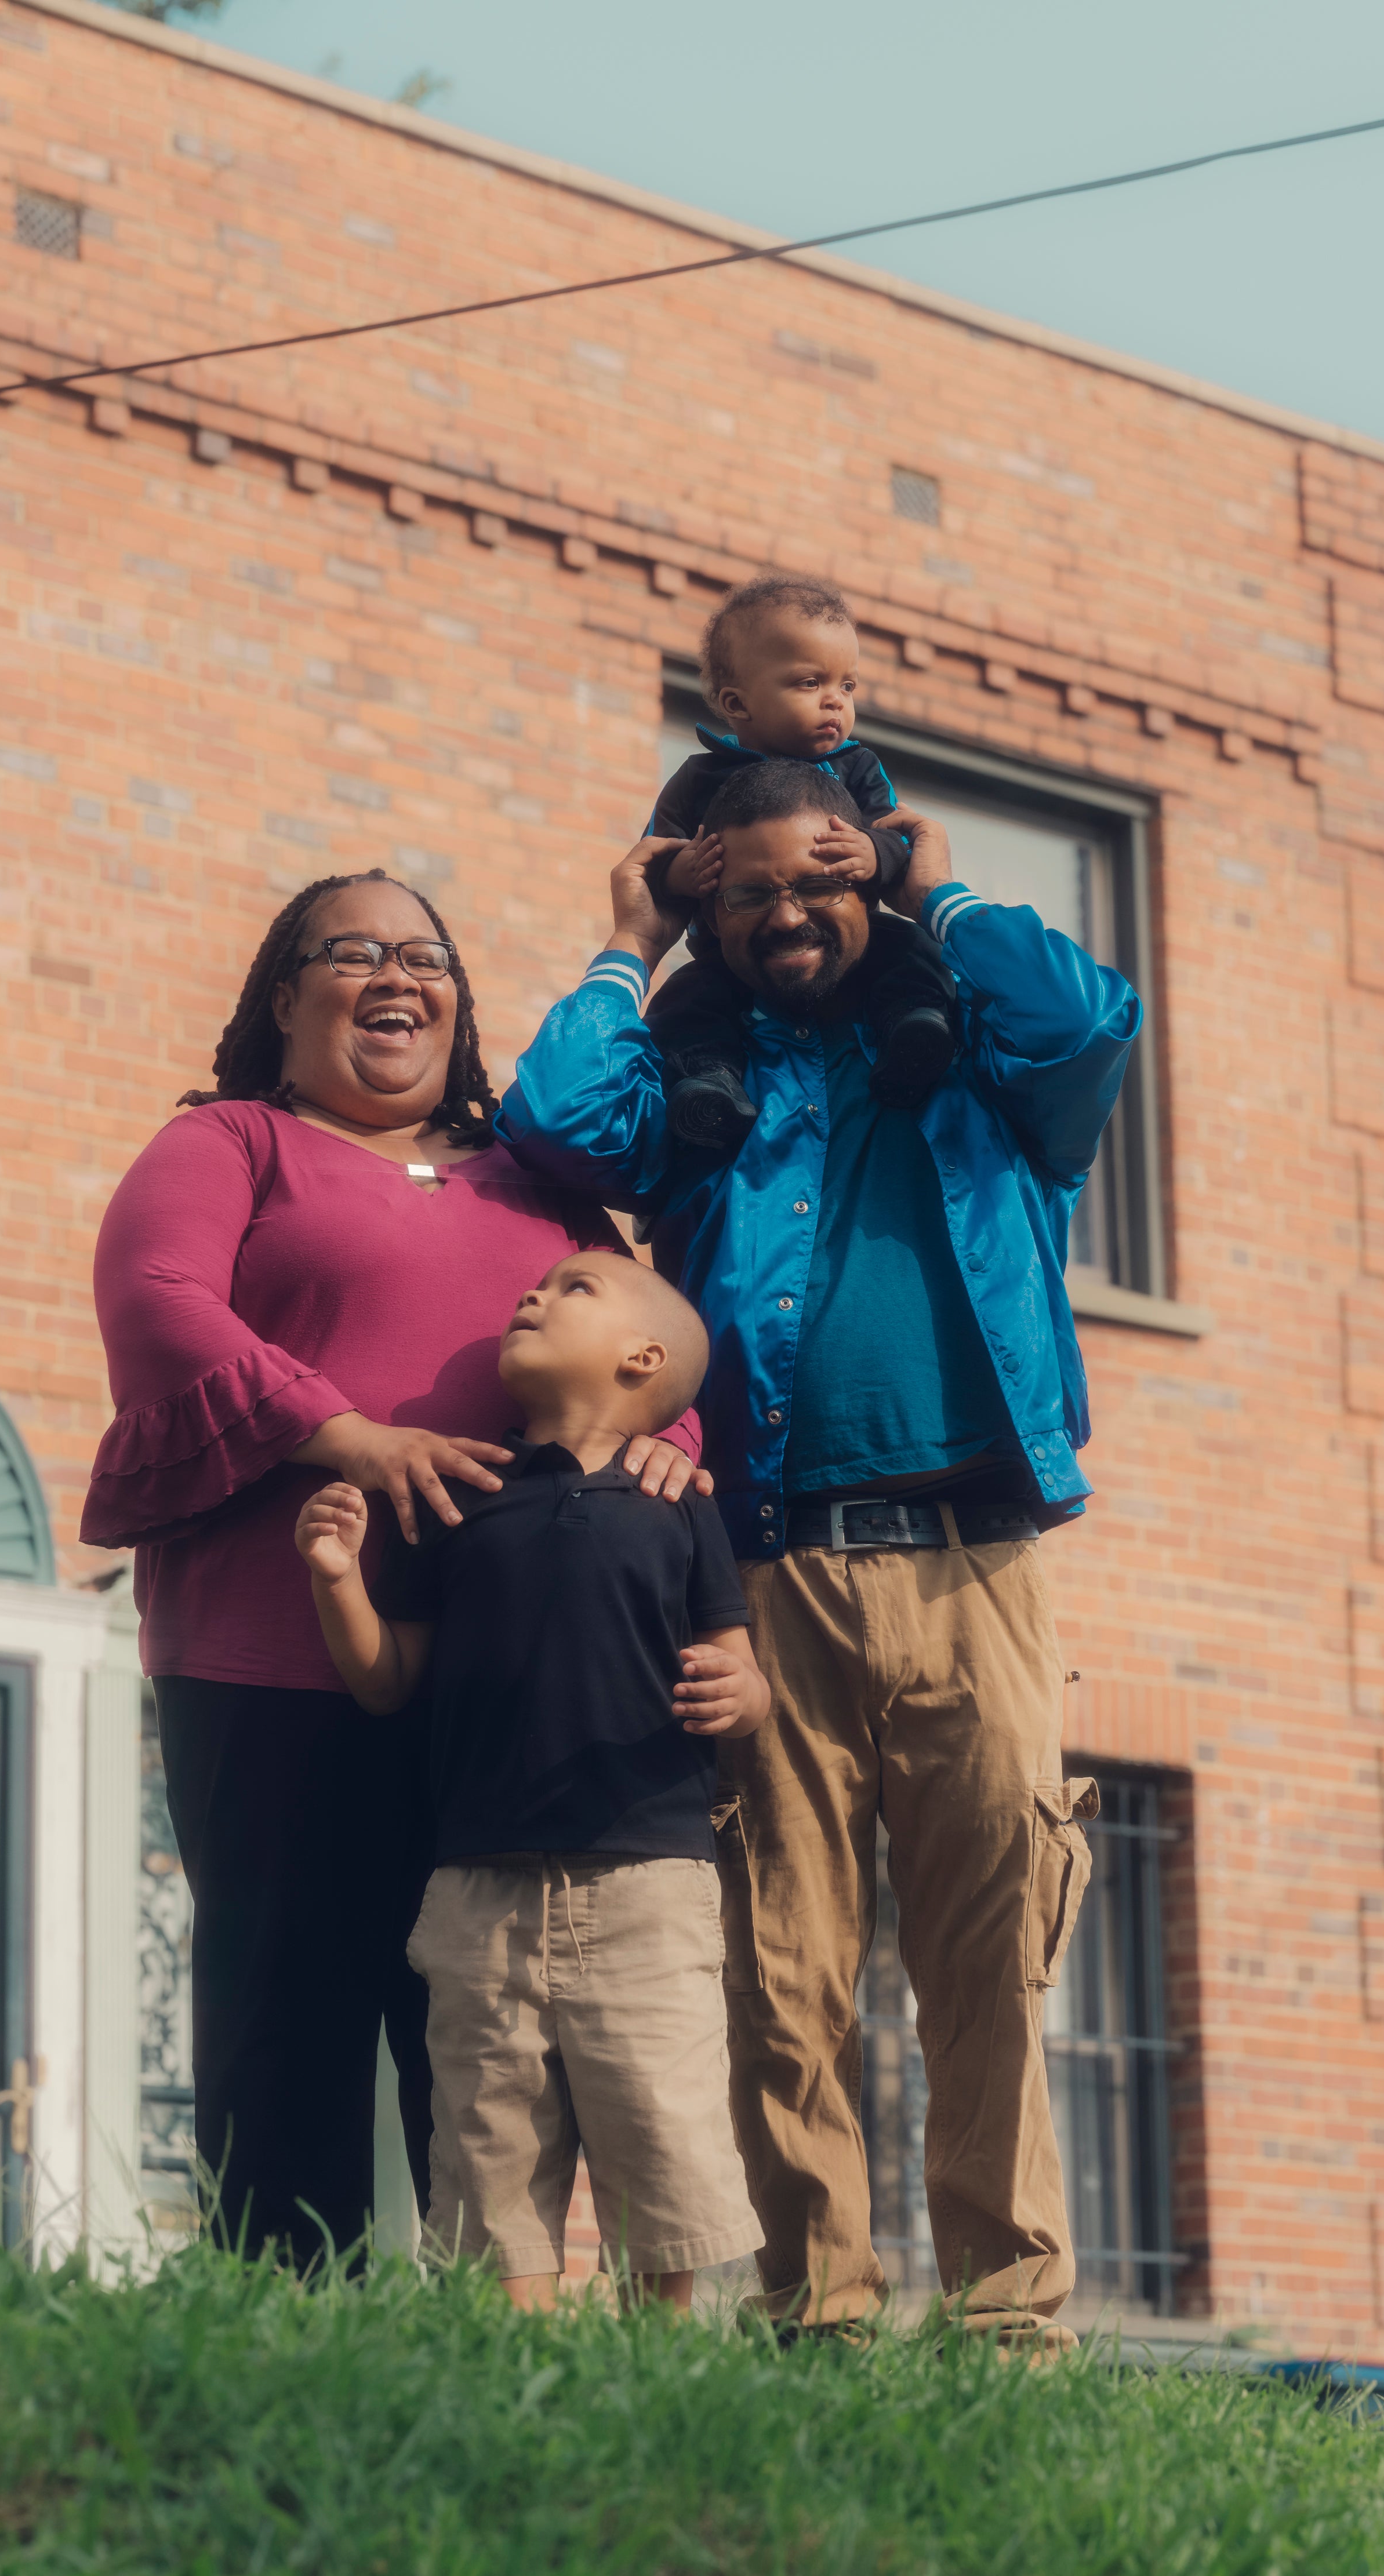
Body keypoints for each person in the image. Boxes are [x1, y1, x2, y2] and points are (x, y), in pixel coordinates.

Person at [499, 758, 1142, 2344]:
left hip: (972, 1555)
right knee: (778, 1964)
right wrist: (619, 945)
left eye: (819, 878)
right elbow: (555, 1120)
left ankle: (1008, 2319)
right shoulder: (703, 1090)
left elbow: (1090, 1020)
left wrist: (950, 889)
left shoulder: (989, 1070)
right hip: (762, 1565)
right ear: (705, 907)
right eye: (744, 890)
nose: (782, 911)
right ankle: (820, 2315)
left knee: (988, 1950)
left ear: (869, 879)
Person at [81, 868, 705, 2268]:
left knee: (484, 2020)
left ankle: (495, 2316)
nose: (394, 975)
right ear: (283, 997)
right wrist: (346, 1435)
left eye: (424, 954)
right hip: (270, 1651)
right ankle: (281, 2306)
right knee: (287, 1997)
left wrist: (678, 1449)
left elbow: (648, 1340)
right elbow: (157, 1297)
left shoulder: (538, 1185)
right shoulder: (236, 1142)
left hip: (498, 1685)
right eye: (349, 951)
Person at [295, 1249, 768, 2308]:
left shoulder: (680, 1504)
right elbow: (388, 1679)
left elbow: (738, 1660)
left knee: (661, 2132)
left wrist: (744, 1698)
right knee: (488, 2152)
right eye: (539, 1287)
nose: (534, 1295)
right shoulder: (461, 1499)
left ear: (643, 1359)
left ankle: (660, 2373)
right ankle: (513, 2371)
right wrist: (337, 1585)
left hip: (646, 1885)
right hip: (478, 1890)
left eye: (575, 1289)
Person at [644, 573, 957, 1148]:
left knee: (912, 950)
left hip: (848, 951)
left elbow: (897, 838)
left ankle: (914, 1028)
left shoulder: (858, 767)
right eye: (811, 682)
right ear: (739, 703)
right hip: (733, 957)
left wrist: (875, 853)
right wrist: (680, 873)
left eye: (848, 685)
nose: (836, 700)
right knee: (686, 1000)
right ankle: (708, 1083)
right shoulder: (699, 779)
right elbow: (654, 857)